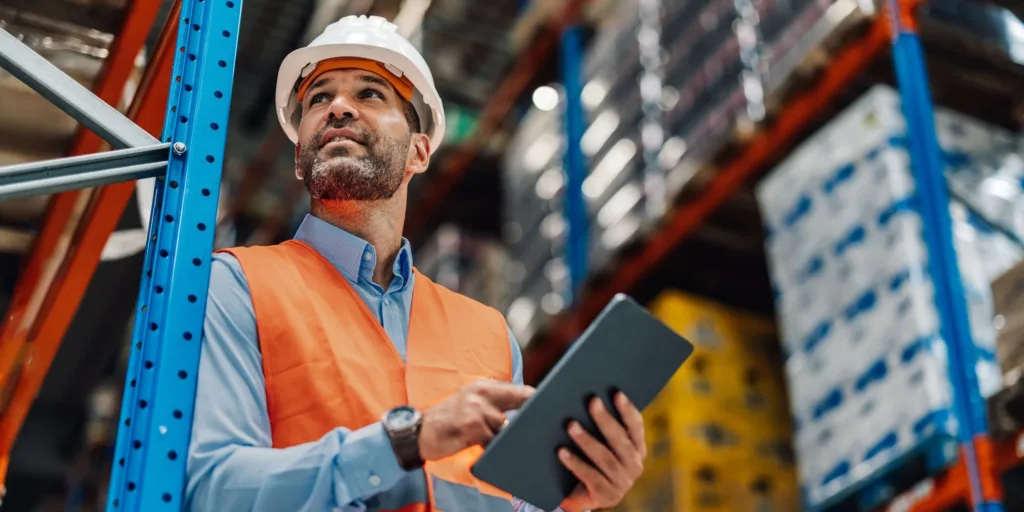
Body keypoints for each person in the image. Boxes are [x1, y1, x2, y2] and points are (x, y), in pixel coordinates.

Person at [184, 14, 646, 512]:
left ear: (419, 151)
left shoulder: (489, 335)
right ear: (299, 156)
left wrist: (573, 499)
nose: (339, 107)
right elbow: (213, 488)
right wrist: (403, 442)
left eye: (370, 94)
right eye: (319, 98)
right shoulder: (235, 285)